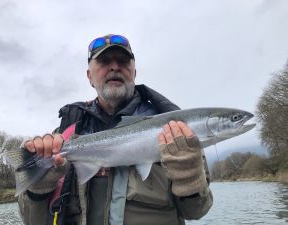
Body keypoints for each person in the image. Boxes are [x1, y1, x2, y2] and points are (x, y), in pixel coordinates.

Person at [18, 34, 213, 225]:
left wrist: (190, 180)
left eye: (123, 61)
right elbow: (32, 221)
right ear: (89, 76)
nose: (114, 67)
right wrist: (38, 188)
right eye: (103, 62)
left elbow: (196, 212)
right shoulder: (62, 137)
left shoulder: (176, 132)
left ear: (134, 73)